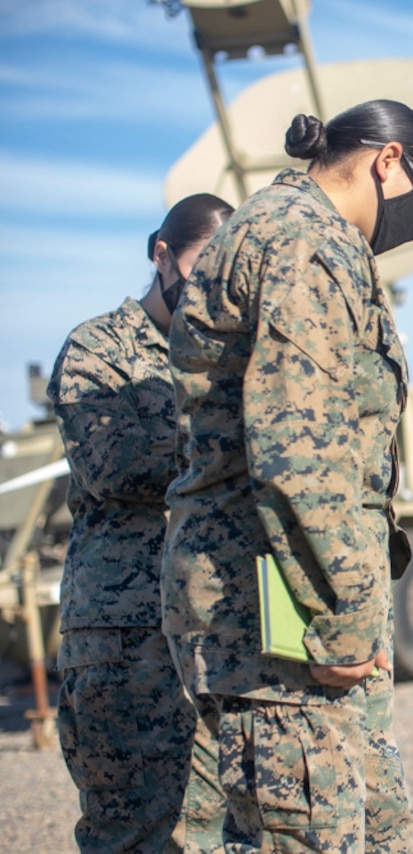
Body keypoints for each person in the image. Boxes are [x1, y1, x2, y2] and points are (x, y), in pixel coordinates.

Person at [163, 99, 413, 852]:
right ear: (389, 163)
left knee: (374, 824)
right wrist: (345, 620)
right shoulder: (304, 245)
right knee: (313, 835)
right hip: (276, 611)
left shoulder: (298, 235)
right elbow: (299, 456)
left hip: (300, 596)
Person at [48, 192, 234, 853]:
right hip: (126, 632)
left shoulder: (229, 351)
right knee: (130, 833)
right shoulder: (98, 349)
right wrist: (225, 438)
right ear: (160, 254)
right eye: (196, 266)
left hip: (218, 627)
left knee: (224, 832)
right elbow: (114, 465)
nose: (206, 287)